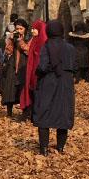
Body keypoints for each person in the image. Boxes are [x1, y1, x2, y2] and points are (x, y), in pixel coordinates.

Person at [33, 20, 76, 154]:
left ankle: (44, 148)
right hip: (66, 83)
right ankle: (61, 147)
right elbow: (75, 66)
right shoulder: (70, 48)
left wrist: (38, 73)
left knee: (44, 111)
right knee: (63, 113)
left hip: (49, 82)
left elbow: (43, 66)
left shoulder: (46, 46)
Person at [0, 18, 31, 117]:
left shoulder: (29, 38)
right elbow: (8, 51)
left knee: (23, 87)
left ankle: (25, 111)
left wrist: (21, 41)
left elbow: (28, 50)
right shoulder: (13, 37)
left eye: (21, 29)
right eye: (17, 29)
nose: (19, 31)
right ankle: (9, 111)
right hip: (13, 64)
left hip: (25, 63)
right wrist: (10, 40)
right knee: (10, 87)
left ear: (25, 29)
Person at [20, 19, 47, 115]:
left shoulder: (43, 40)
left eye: (34, 29)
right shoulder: (34, 39)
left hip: (38, 69)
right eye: (32, 29)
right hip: (32, 68)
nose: (32, 31)